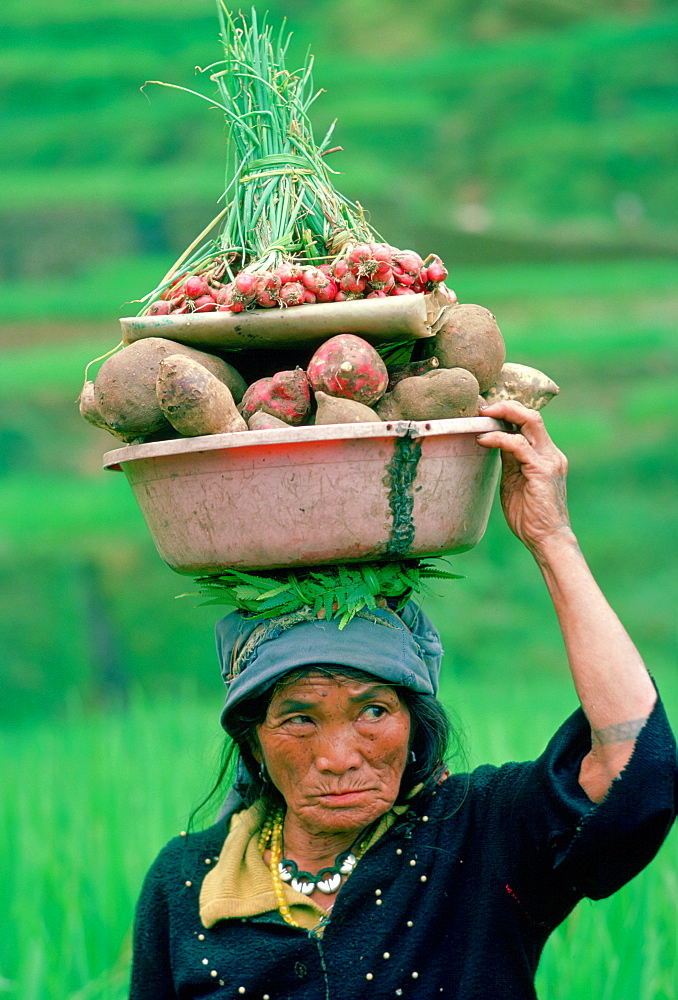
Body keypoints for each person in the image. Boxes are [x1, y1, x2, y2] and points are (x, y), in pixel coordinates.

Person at [129, 400, 676, 999]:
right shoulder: (185, 883)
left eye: (373, 712)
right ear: (252, 738)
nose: (338, 757)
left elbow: (632, 763)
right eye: (299, 719)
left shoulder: (480, 837)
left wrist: (553, 539)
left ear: (415, 725)